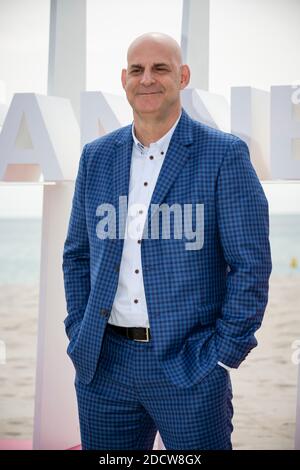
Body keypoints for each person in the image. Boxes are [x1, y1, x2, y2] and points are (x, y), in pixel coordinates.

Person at [62, 32, 272, 450]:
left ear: (183, 76)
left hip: (190, 365)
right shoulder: (96, 156)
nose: (147, 79)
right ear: (124, 78)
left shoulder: (224, 155)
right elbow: (77, 255)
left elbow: (251, 265)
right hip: (105, 366)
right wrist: (78, 329)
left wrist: (222, 353)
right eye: (137, 70)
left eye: (160, 68)